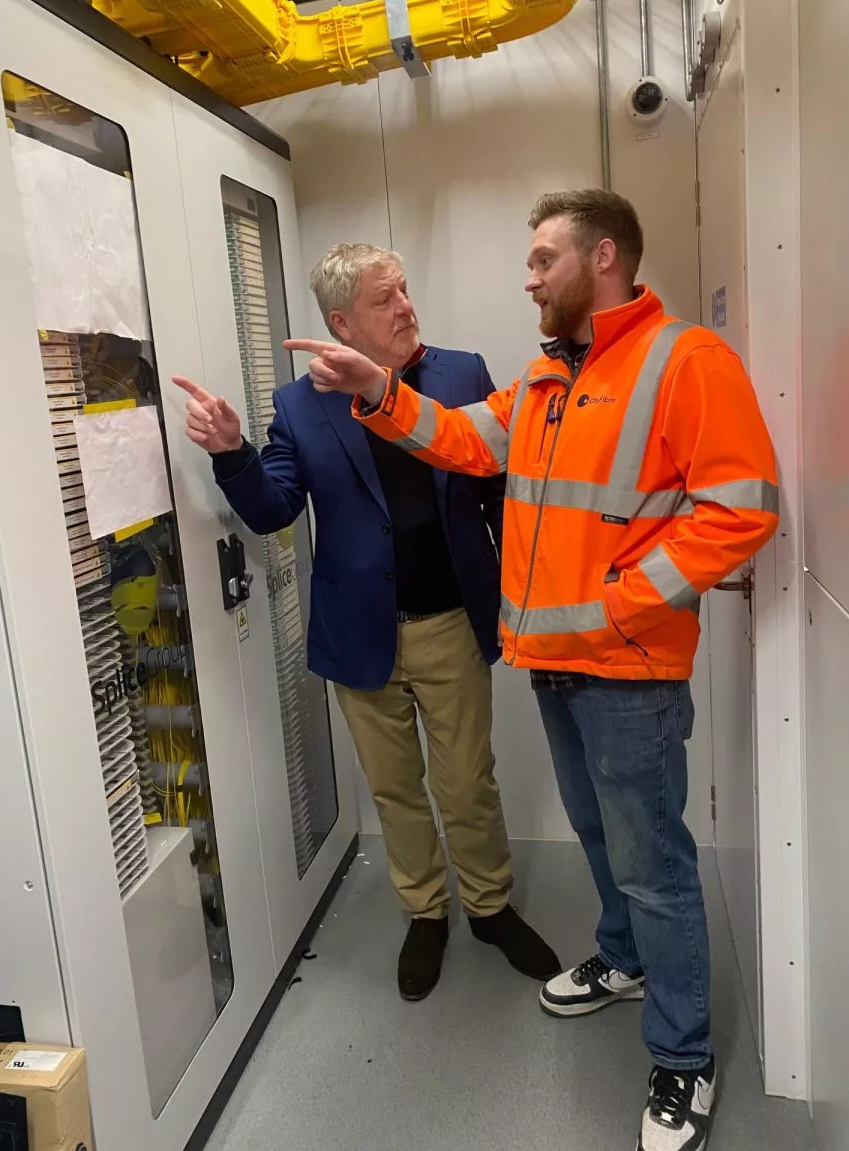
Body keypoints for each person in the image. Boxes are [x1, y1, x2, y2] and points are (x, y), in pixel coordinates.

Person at [286, 193, 779, 1151]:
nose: (528, 275)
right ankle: (624, 961)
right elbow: (467, 440)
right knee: (601, 841)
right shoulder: (552, 378)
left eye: (542, 257)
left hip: (626, 669)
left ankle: (683, 1059)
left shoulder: (685, 360)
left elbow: (741, 506)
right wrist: (378, 394)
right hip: (553, 664)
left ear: (602, 259)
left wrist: (625, 601)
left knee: (656, 867)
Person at [173, 242, 559, 1003]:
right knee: (394, 789)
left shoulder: (460, 373)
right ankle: (425, 912)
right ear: (343, 322)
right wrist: (231, 453)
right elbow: (275, 508)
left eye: (407, 290)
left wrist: (522, 590)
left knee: (467, 779)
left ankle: (489, 906)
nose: (408, 306)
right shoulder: (297, 405)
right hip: (360, 630)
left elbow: (497, 491)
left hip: (450, 617)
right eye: (388, 299)